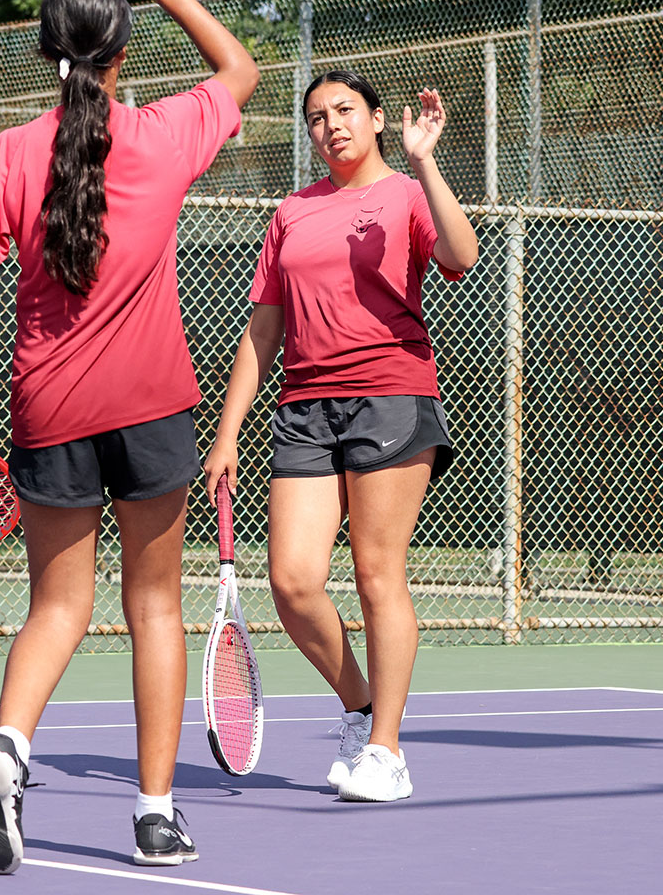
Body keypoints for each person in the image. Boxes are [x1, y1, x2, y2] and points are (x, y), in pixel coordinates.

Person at [0, 0, 258, 871]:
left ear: (42, 50)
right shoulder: (164, 134)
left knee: (56, 609)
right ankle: (153, 814)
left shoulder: (9, 153)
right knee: (153, 606)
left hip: (47, 410)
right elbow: (242, 74)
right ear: (122, 53)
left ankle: (5, 746)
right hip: (152, 408)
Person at [204, 71, 476, 802]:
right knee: (292, 581)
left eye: (346, 111)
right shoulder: (292, 211)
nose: (332, 126)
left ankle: (386, 751)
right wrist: (227, 432)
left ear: (380, 118)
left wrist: (425, 160)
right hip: (303, 407)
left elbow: (462, 256)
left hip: (391, 396)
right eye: (318, 118)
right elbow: (263, 328)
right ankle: (359, 707)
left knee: (376, 573)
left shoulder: (407, 192)